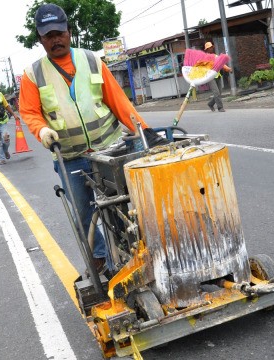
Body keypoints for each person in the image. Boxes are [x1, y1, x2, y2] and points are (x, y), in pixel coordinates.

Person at [18, 3, 168, 273]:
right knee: (85, 215)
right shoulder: (33, 75)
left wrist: (144, 131)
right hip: (71, 158)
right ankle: (101, 259)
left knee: (122, 207)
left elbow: (118, 101)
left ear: (69, 31)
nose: (55, 40)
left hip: (109, 151)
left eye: (59, 33)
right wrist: (41, 130)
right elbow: (29, 112)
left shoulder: (91, 60)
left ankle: (130, 253)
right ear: (40, 39)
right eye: (48, 36)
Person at [204, 41, 231, 113]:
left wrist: (228, 69)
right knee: (216, 92)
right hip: (210, 77)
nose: (211, 49)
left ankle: (210, 104)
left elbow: (222, 64)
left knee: (219, 93)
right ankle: (220, 108)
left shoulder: (216, 56)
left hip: (217, 76)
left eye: (211, 47)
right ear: (206, 50)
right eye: (209, 48)